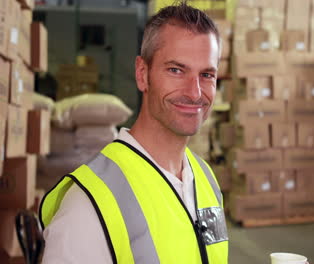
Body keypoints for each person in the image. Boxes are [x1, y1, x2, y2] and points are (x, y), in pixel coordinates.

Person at [39, 3, 228, 263]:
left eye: (207, 74)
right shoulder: (88, 206)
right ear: (142, 74)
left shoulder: (206, 179)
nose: (195, 92)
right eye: (176, 70)